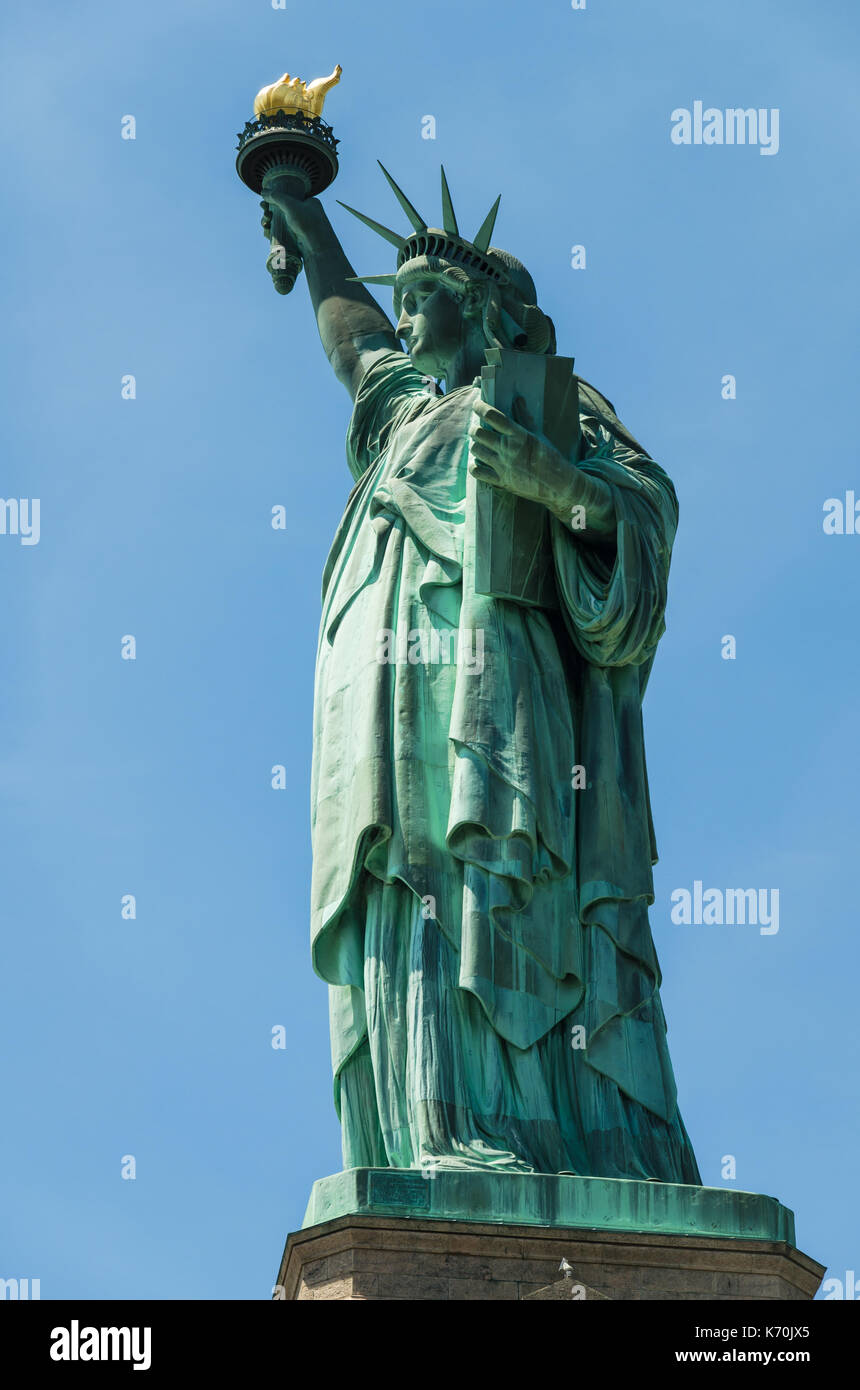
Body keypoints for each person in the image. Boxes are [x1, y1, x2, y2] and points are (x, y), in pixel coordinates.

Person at [260, 165, 701, 1183]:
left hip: (499, 682)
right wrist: (301, 214)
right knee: (403, 878)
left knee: (493, 880)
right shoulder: (404, 413)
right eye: (402, 302)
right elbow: (353, 342)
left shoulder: (544, 405)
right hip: (378, 686)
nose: (405, 323)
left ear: (486, 314)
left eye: (427, 302)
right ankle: (429, 1126)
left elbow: (641, 512)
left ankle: (537, 1128)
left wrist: (549, 481)